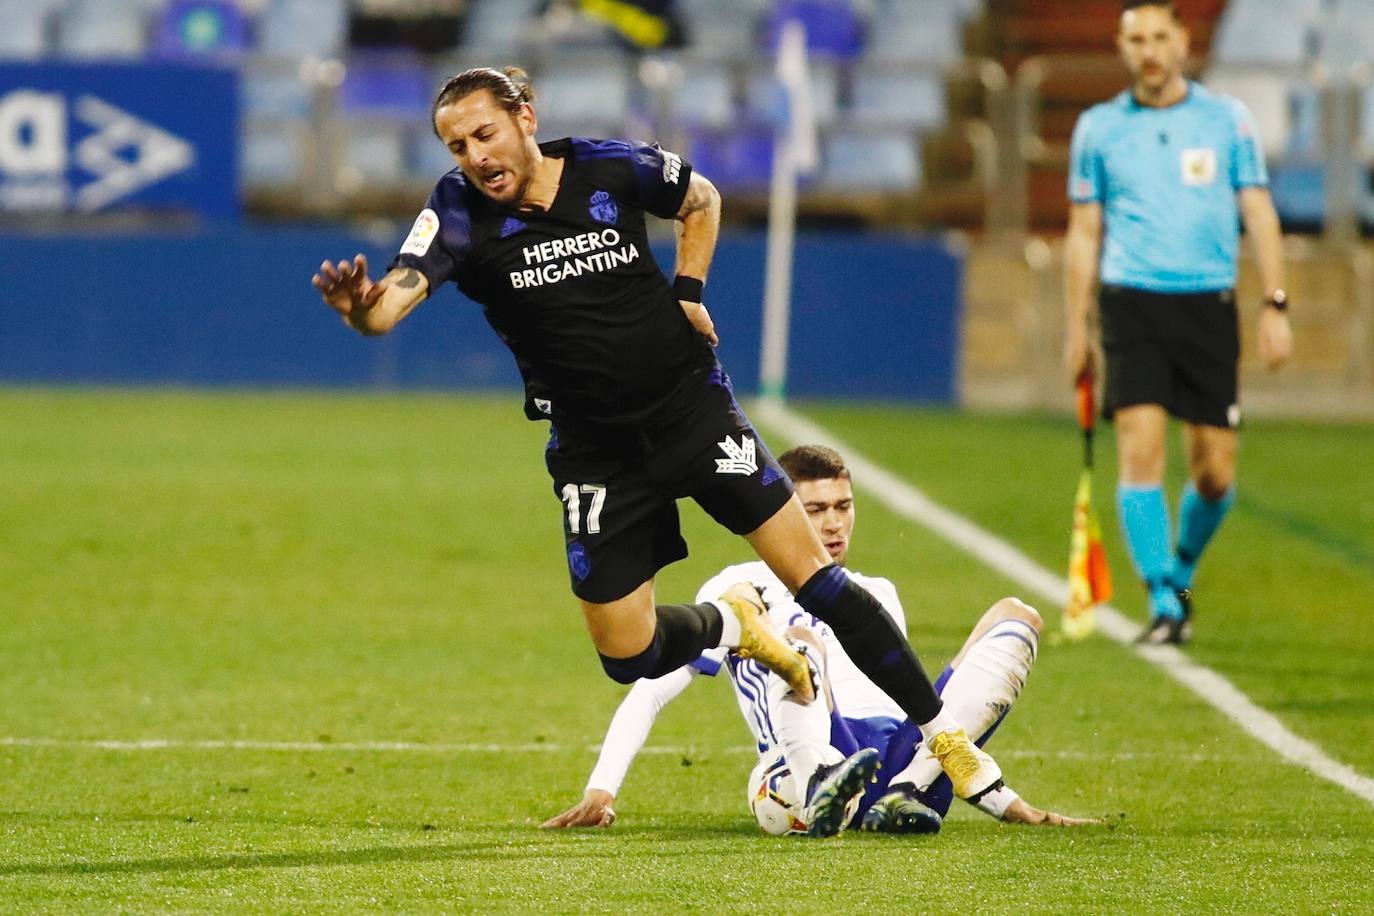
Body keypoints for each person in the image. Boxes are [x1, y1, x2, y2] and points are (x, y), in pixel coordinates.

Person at [310, 67, 1004, 801]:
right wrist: (360, 308)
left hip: (690, 411)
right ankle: (732, 625)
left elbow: (701, 199)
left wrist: (689, 290)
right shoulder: (455, 211)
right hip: (594, 449)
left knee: (820, 581)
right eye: (456, 146)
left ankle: (950, 744)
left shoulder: (611, 166)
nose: (474, 157)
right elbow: (388, 309)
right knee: (625, 650)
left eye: (484, 134)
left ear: (525, 118)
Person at [543, 445, 1098, 836]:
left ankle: (906, 789)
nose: (833, 524)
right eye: (814, 510)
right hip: (806, 761)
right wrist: (603, 788)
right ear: (784, 513)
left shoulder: (876, 592)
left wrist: (1009, 804)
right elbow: (652, 689)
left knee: (1016, 613)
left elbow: (929, 706)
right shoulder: (742, 586)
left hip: (906, 758)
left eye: (843, 506)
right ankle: (821, 781)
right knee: (803, 632)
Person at [1063, 1, 1293, 645]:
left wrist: (1275, 304)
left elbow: (1260, 212)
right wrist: (1076, 326)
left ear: (1183, 41)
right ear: (1122, 46)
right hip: (1130, 303)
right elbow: (1084, 233)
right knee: (1139, 447)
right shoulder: (1099, 128)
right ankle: (1164, 597)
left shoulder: (1226, 121)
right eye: (1136, 39)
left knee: (1214, 472)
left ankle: (1181, 570)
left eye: (1160, 36)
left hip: (1207, 306)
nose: (1150, 50)